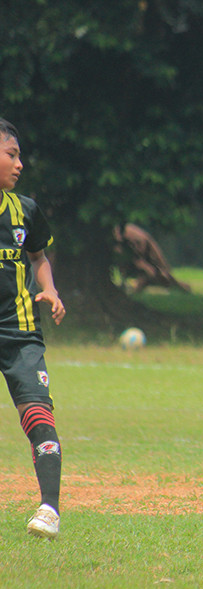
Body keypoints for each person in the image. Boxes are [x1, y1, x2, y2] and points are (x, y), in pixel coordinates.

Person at [0, 118, 67, 540]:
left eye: (19, 156)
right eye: (11, 154)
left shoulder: (25, 210)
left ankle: (49, 509)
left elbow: (38, 257)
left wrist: (51, 289)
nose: (20, 164)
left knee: (38, 412)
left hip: (20, 332)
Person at [112, 222, 191, 293]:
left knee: (155, 269)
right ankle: (180, 286)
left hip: (136, 240)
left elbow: (140, 263)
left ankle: (181, 286)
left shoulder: (129, 238)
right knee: (156, 269)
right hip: (134, 239)